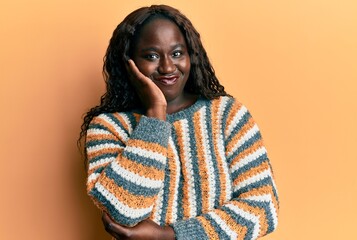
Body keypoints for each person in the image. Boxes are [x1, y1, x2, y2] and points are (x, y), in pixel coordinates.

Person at [80, 4, 279, 240]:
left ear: (191, 56)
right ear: (129, 63)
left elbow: (263, 207)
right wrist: (156, 113)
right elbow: (123, 214)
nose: (167, 67)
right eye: (151, 56)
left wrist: (169, 235)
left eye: (177, 53)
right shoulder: (108, 127)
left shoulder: (227, 115)